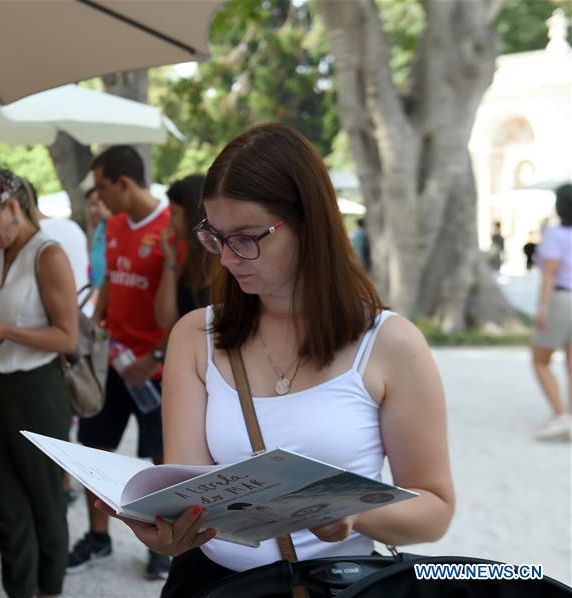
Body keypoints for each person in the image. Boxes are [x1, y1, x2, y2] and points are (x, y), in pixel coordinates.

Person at [94, 124, 455, 597]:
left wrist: (349, 512)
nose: (227, 258)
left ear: (308, 222)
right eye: (214, 236)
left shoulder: (390, 344)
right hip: (213, 586)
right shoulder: (196, 336)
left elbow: (435, 509)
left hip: (335, 585)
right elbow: (185, 489)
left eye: (246, 237)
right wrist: (169, 529)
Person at [0, 167, 78, 598]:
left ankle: (49, 589)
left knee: (45, 501)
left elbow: (67, 336)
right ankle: (19, 590)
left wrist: (5, 331)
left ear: (12, 206)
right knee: (8, 507)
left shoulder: (48, 253)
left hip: (36, 391)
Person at [69, 145, 173, 580]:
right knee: (94, 450)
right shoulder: (111, 226)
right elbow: (110, 283)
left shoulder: (170, 228)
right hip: (112, 362)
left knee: (163, 462)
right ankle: (98, 537)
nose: (98, 196)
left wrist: (154, 357)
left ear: (124, 183)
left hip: (157, 370)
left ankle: (164, 546)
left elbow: (179, 306)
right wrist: (92, 331)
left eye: (102, 186)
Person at [531, 184, 572, 441]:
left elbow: (548, 275)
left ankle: (560, 416)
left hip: (561, 298)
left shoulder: (555, 234)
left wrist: (542, 308)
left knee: (540, 360)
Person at [156, 174, 210, 331]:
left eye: (174, 213)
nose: (170, 222)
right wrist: (169, 262)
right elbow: (165, 320)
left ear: (192, 214)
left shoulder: (220, 262)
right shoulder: (188, 259)